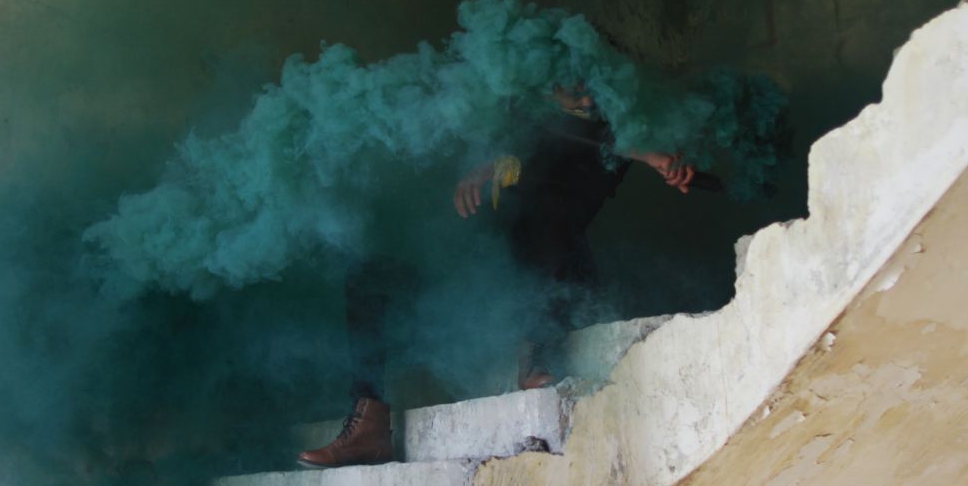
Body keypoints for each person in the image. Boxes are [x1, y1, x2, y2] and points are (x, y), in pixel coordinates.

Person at [297, 84, 695, 468]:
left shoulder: (597, 135)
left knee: (547, 215)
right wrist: (494, 165)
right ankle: (368, 422)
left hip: (551, 288)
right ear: (549, 84)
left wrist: (653, 155)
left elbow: (594, 140)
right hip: (482, 292)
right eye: (576, 89)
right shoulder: (513, 120)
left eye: (592, 92)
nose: (588, 99)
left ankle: (533, 347)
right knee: (368, 276)